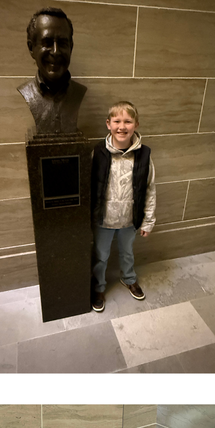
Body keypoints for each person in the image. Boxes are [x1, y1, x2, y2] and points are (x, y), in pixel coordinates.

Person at [90, 100, 157, 312]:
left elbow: (150, 188)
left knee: (127, 252)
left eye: (128, 121)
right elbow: (89, 187)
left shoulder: (144, 155)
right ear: (108, 124)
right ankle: (98, 286)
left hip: (129, 218)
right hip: (103, 219)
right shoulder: (98, 153)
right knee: (101, 255)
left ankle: (129, 278)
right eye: (117, 121)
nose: (122, 126)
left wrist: (148, 220)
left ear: (136, 125)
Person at [17, 7, 87, 134]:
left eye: (62, 43)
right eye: (47, 43)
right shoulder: (27, 93)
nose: (55, 52)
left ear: (71, 47)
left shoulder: (79, 93)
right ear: (31, 48)